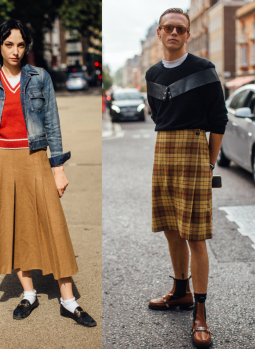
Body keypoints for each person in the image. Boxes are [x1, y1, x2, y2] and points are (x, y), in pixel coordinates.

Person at [0, 19, 96, 326]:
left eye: (20, 44)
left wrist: (58, 168)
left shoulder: (40, 78)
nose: (14, 51)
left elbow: (53, 124)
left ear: (26, 46)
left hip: (36, 157)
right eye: (8, 45)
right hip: (1, 160)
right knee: (14, 227)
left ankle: (69, 301)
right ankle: (28, 294)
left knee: (53, 226)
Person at [145, 8, 227, 349]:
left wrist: (208, 163)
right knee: (170, 227)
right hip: (164, 148)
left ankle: (201, 312)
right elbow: (157, 114)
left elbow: (219, 120)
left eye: (180, 28)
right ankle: (180, 291)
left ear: (187, 35)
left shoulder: (203, 70)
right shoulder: (152, 73)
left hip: (194, 148)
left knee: (195, 234)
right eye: (168, 28)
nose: (174, 33)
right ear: (160, 33)